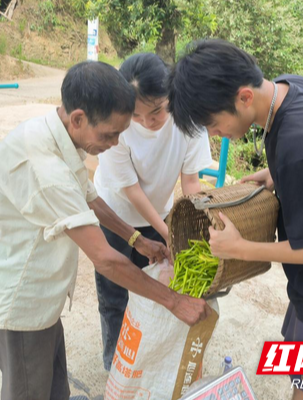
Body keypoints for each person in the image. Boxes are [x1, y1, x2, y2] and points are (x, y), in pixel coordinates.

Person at [0, 61, 211, 400]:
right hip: (18, 301)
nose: (114, 144)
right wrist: (174, 302)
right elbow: (106, 260)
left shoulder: (57, 134)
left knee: (53, 385)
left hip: (41, 296)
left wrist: (137, 239)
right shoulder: (44, 169)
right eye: (109, 135)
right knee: (29, 389)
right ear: (79, 118)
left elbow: (89, 197)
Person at [168, 39, 303, 400]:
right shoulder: (289, 89)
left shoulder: (299, 145)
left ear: (243, 97)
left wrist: (242, 248)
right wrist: (276, 174)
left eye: (212, 123)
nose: (213, 133)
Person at [93, 53, 213, 371]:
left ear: (171, 93)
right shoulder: (116, 122)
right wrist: (165, 232)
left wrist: (194, 230)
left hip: (159, 214)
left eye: (157, 110)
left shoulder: (189, 121)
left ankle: (148, 355)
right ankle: (115, 362)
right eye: (137, 115)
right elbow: (130, 190)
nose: (149, 122)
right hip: (115, 216)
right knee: (115, 291)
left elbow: (190, 182)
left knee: (158, 288)